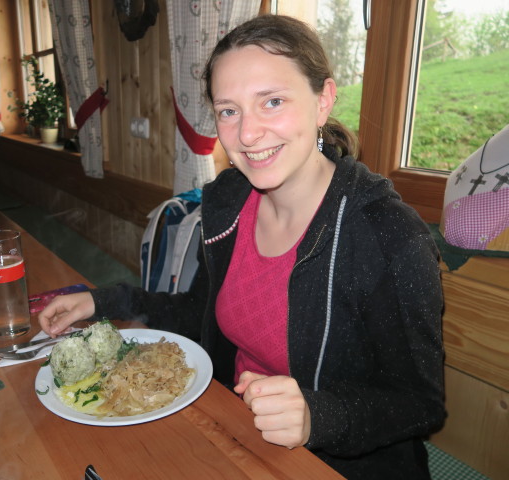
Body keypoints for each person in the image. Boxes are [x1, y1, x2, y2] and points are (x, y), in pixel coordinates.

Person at [39, 14, 445, 479]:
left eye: (271, 101)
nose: (247, 135)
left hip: (335, 464)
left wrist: (318, 416)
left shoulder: (389, 235)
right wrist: (102, 300)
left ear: (322, 100)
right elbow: (200, 313)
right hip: (231, 431)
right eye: (229, 110)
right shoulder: (227, 200)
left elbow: (419, 403)